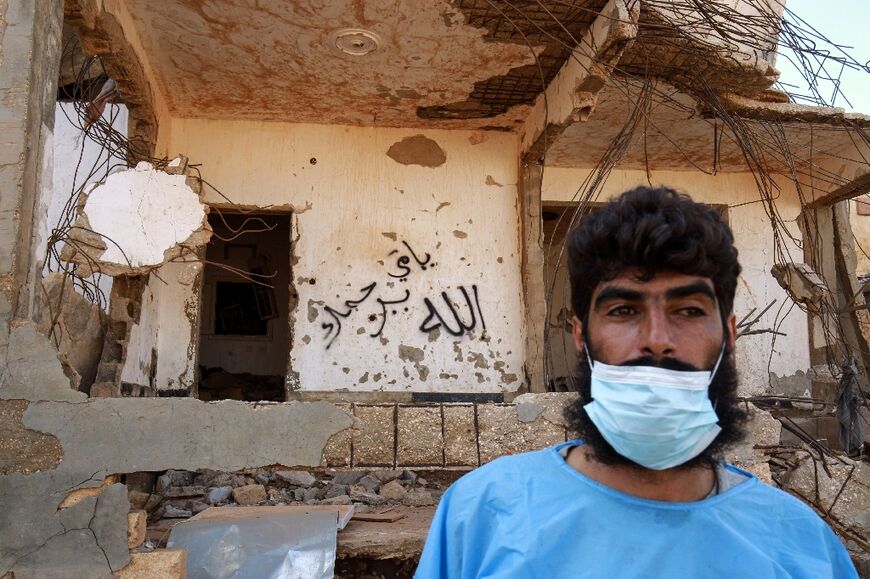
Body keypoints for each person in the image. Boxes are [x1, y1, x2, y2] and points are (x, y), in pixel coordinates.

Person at [415, 186, 857, 578]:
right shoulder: (480, 515)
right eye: (623, 311)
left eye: (688, 311)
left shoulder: (802, 547)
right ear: (581, 335)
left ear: (730, 334)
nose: (657, 341)